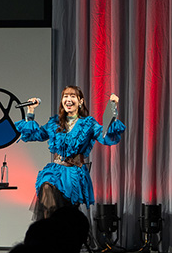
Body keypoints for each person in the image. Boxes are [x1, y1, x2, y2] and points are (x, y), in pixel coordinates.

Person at [16, 85, 125, 221]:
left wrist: (113, 108)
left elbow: (106, 137)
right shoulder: (54, 123)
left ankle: (63, 230)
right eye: (65, 96)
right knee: (46, 188)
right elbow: (33, 135)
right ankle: (48, 229)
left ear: (80, 101)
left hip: (74, 173)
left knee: (67, 212)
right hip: (55, 171)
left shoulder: (88, 124)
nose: (68, 99)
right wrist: (30, 111)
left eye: (72, 96)